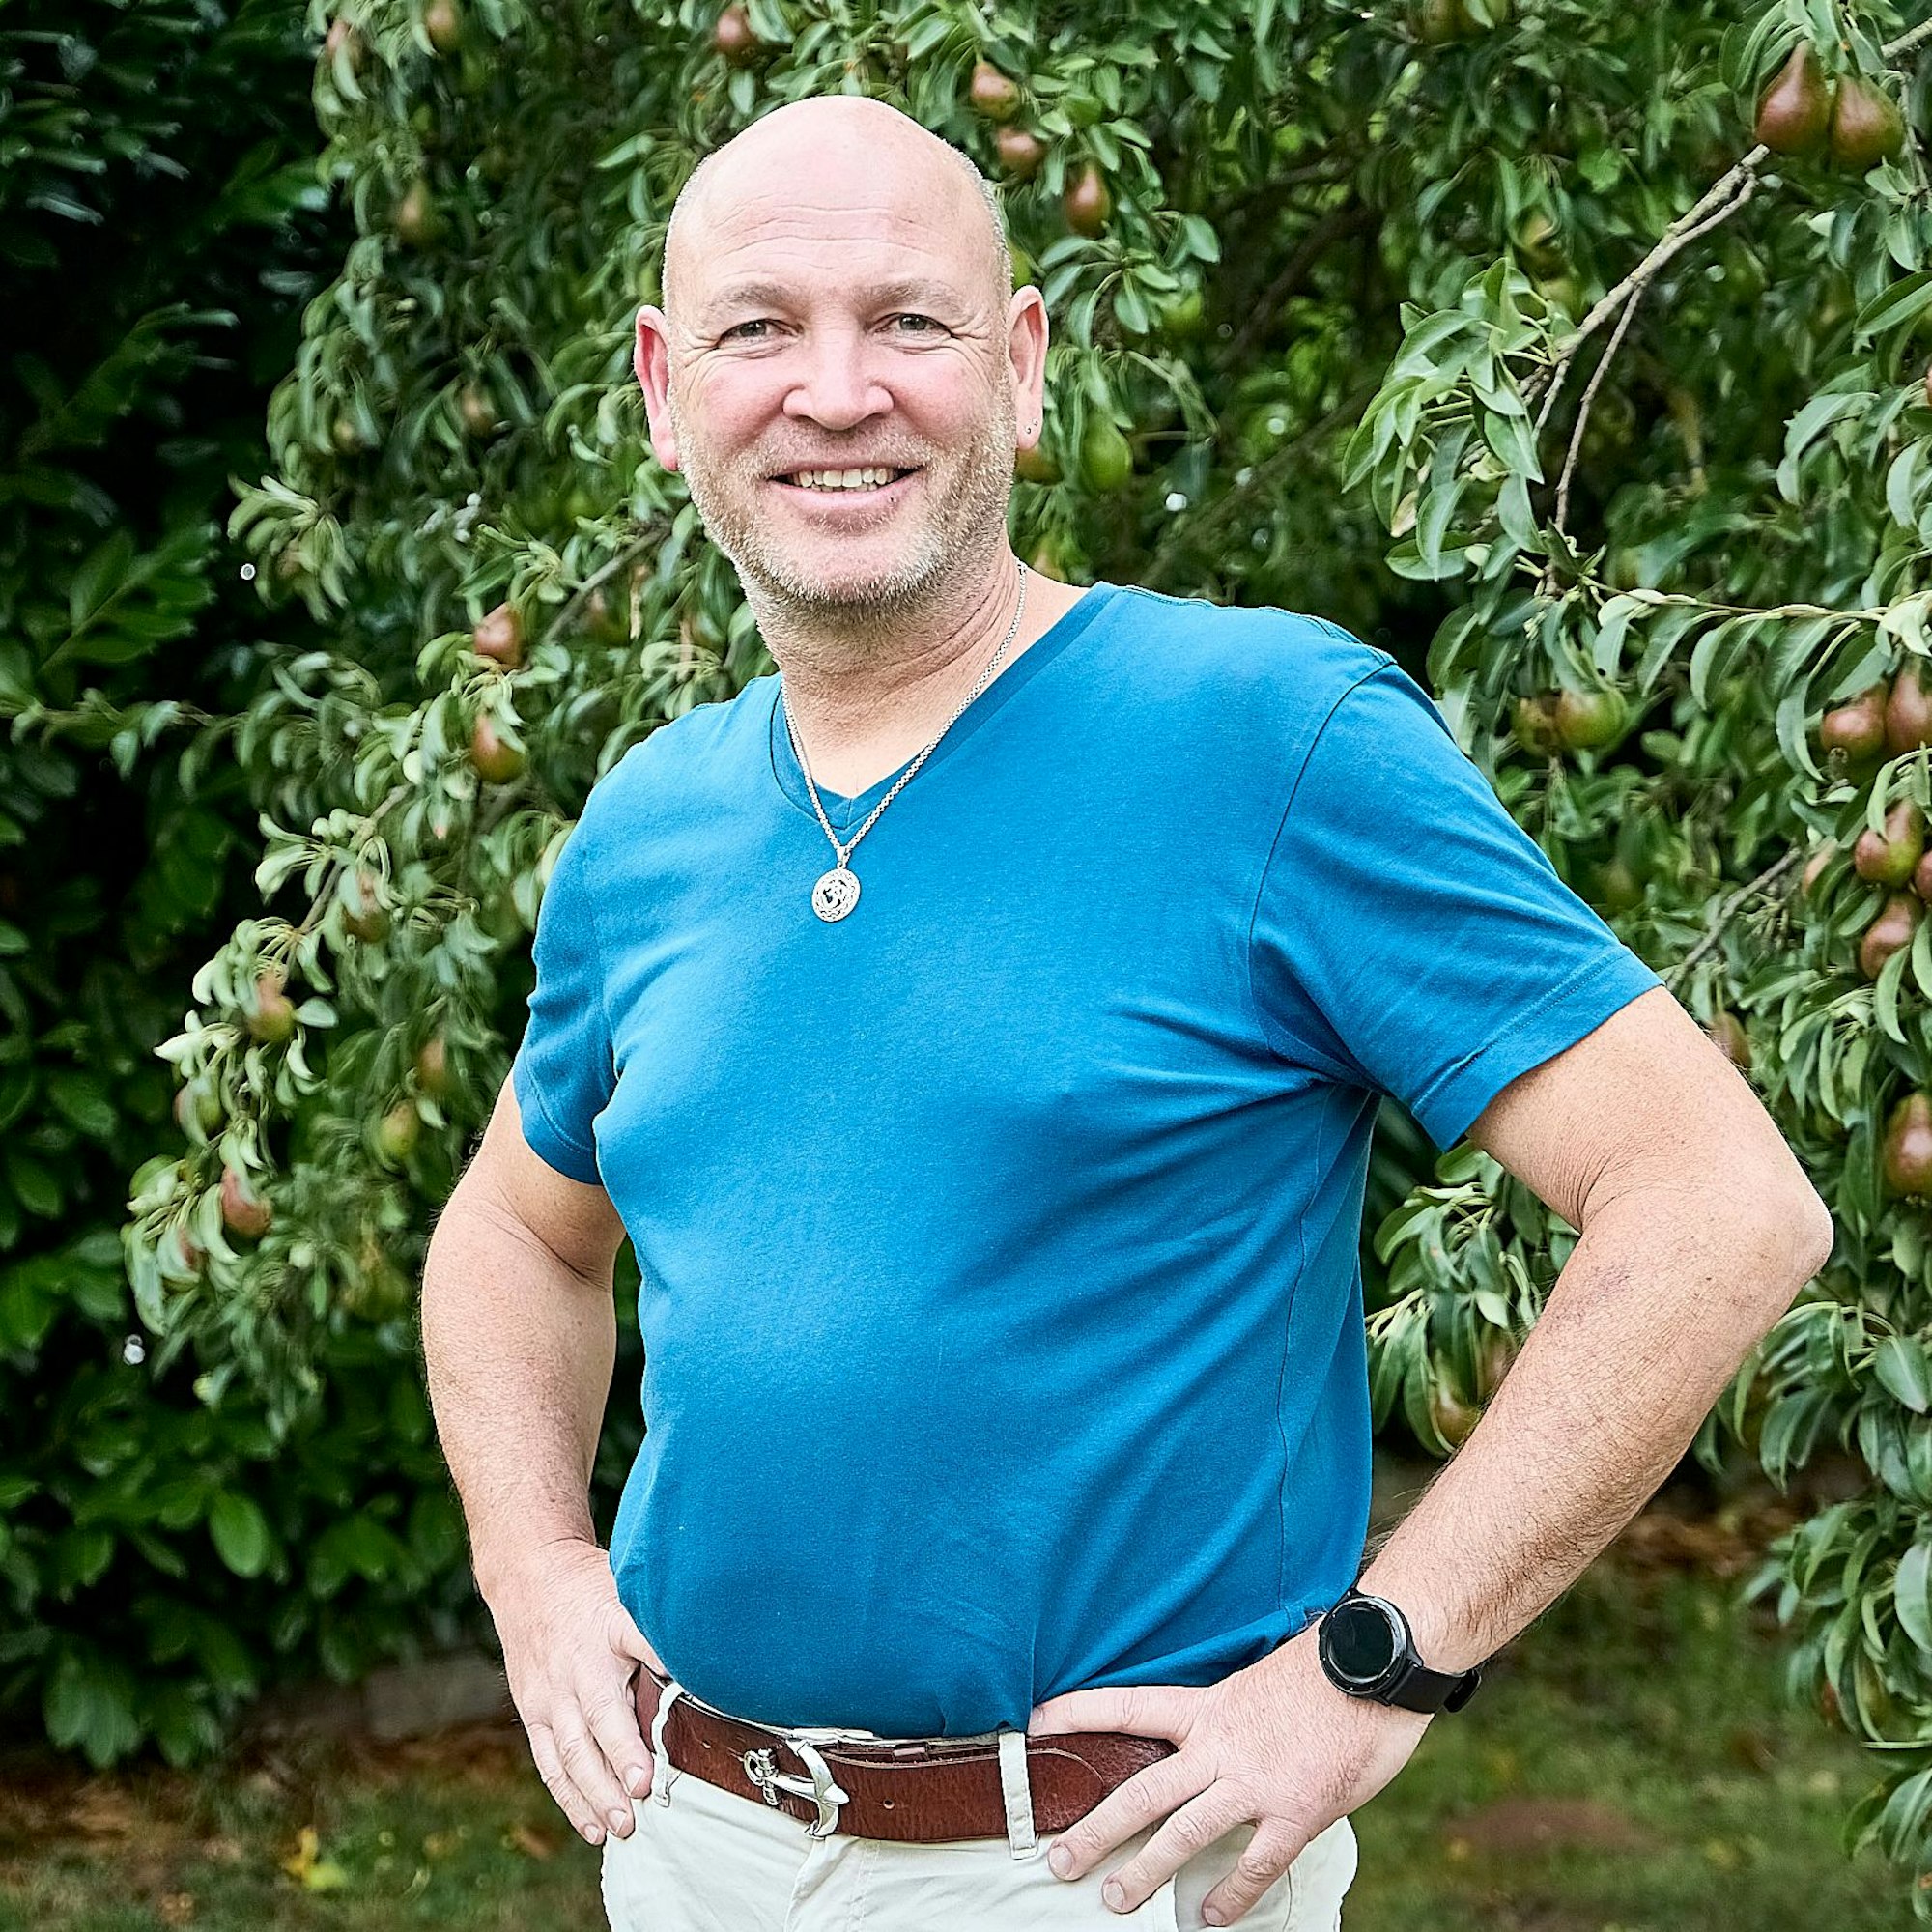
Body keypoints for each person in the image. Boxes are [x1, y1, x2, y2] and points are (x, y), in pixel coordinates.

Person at [419, 93, 1834, 1932]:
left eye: (908, 322)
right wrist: (534, 1568)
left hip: (1098, 1868)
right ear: (663, 388)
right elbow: (516, 1237)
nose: (835, 392)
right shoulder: (649, 824)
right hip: (691, 1848)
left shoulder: (1266, 737)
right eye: (759, 328)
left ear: (1019, 369)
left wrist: (1375, 1668)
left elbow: (1717, 1202)